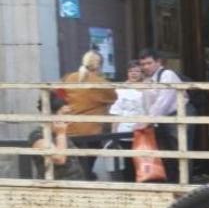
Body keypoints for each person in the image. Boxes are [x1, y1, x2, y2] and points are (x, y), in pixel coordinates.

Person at [137, 49, 192, 183]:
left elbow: (164, 101)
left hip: (177, 114)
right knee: (166, 152)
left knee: (181, 150)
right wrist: (147, 119)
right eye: (142, 64)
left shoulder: (167, 74)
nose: (145, 67)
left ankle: (184, 184)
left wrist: (149, 120)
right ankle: (171, 182)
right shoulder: (148, 80)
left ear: (158, 62)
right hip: (161, 118)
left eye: (149, 63)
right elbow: (147, 103)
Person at [60, 50, 116, 179]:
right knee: (87, 166)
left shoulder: (69, 77)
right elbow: (113, 98)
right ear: (100, 65)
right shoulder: (102, 84)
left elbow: (58, 95)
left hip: (69, 130)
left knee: (73, 166)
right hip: (91, 132)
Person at [27, 93, 86, 181]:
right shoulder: (37, 135)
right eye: (65, 113)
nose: (69, 117)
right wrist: (61, 134)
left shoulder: (59, 131)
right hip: (56, 188)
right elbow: (59, 159)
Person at [108, 61, 146, 180]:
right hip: (124, 131)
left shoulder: (148, 88)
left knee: (142, 160)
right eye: (131, 71)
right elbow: (116, 112)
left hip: (142, 130)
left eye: (136, 71)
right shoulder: (121, 89)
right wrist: (113, 133)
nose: (133, 74)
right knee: (128, 161)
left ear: (141, 73)